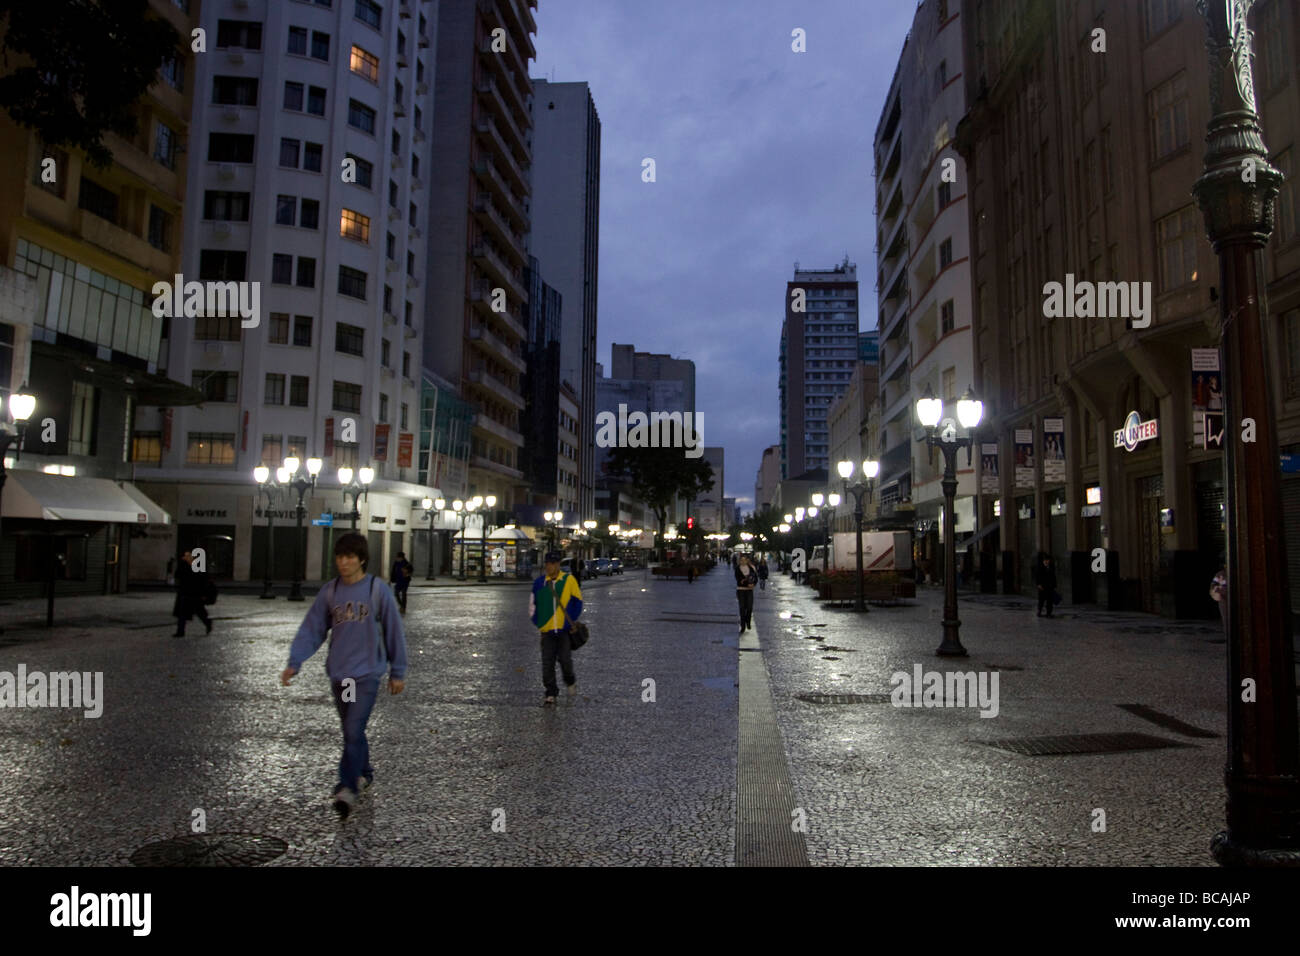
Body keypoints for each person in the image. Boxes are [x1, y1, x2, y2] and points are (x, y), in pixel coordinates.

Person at [281, 534, 407, 819]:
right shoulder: (330, 592)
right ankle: (364, 770)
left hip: (366, 675)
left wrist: (397, 671)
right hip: (341, 676)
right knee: (352, 729)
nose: (344, 562)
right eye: (340, 557)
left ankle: (346, 788)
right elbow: (312, 629)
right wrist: (295, 662)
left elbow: (393, 631)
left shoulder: (377, 590)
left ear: (362, 559)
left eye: (350, 557)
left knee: (353, 728)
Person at [530, 550, 583, 707]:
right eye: (547, 563)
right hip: (547, 632)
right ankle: (551, 692)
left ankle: (570, 680)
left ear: (558, 565)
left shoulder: (569, 580)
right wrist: (539, 622)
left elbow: (577, 602)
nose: (549, 566)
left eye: (552, 563)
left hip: (564, 630)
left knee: (565, 660)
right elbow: (533, 606)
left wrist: (569, 622)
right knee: (547, 663)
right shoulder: (539, 583)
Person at [172, 549, 213, 638]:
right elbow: (205, 579)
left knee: (194, 611)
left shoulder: (186, 564)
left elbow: (178, 575)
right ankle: (181, 631)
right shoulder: (196, 564)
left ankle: (181, 631)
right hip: (192, 592)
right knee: (193, 611)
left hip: (190, 591)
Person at [734, 554, 758, 633]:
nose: (743, 561)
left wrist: (753, 584)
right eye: (741, 560)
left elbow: (755, 578)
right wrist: (747, 584)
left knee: (749, 607)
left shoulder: (751, 568)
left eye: (744, 560)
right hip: (741, 590)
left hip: (749, 590)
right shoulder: (737, 569)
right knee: (742, 608)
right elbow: (738, 580)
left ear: (747, 560)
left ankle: (748, 621)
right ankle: (743, 625)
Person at [1035, 552, 1058, 617]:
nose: (1046, 561)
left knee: (1049, 601)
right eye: (1045, 560)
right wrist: (1038, 584)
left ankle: (1049, 613)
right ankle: (1039, 611)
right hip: (1042, 587)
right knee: (1041, 600)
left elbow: (1053, 577)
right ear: (1043, 561)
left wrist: (1054, 585)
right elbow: (1037, 576)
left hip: (1050, 587)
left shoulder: (1051, 567)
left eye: (1047, 560)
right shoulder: (1040, 567)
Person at [1210, 566, 1228, 634]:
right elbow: (1213, 586)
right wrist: (1215, 593)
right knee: (1226, 620)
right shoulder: (1220, 574)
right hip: (1224, 600)